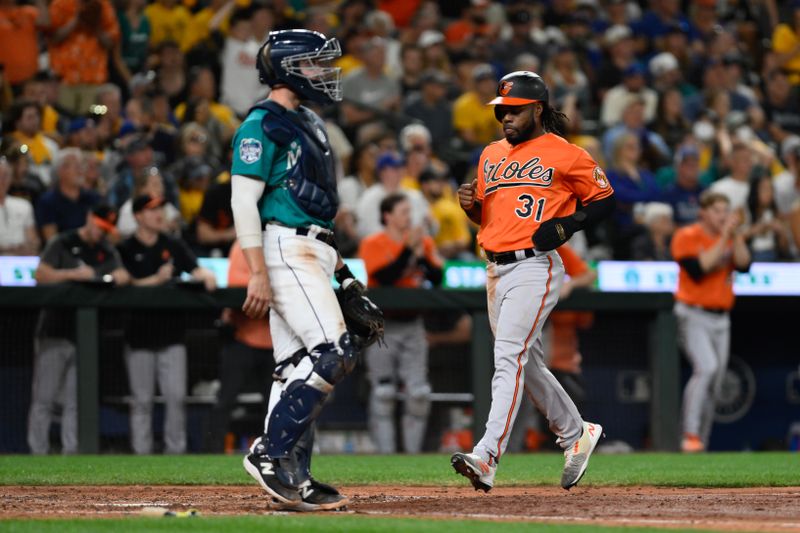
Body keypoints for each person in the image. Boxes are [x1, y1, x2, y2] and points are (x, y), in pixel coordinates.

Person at [451, 71, 615, 492]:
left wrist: (568, 225)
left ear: (536, 110)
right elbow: (491, 216)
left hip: (534, 266)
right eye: (501, 109)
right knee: (527, 361)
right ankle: (577, 432)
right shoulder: (491, 154)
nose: (505, 116)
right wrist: (471, 208)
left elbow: (604, 199)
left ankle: (486, 455)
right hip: (494, 267)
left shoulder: (565, 152)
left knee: (508, 356)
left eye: (514, 110)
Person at [230, 29, 369, 511]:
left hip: (314, 249)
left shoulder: (307, 120)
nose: (322, 73)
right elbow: (243, 201)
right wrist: (255, 271)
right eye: (312, 64)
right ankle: (269, 451)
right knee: (334, 351)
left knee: (295, 366)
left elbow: (318, 211)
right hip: (283, 249)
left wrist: (344, 272)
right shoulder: (261, 123)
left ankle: (296, 475)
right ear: (287, 68)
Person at [117, 194, 216, 455]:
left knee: (175, 399)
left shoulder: (173, 244)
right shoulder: (125, 248)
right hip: (138, 334)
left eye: (160, 208)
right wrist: (156, 280)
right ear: (138, 215)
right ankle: (141, 456)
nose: (158, 213)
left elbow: (197, 270)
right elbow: (123, 285)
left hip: (172, 333)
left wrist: (207, 276)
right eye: (151, 210)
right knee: (141, 401)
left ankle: (176, 454)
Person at [28, 204, 129, 454]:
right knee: (44, 398)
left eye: (106, 229)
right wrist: (75, 274)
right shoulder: (63, 242)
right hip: (53, 330)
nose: (100, 233)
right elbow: (41, 274)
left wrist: (111, 278)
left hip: (84, 337)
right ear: (88, 217)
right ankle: (37, 452)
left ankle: (70, 452)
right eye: (99, 226)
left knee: (75, 401)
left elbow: (123, 275)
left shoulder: (105, 249)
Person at [358, 193, 443, 453]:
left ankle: (412, 459)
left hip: (413, 324)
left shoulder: (423, 242)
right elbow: (384, 277)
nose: (409, 216)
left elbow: (438, 277)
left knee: (418, 394)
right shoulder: (373, 243)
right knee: (383, 393)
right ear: (388, 216)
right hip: (383, 325)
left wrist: (421, 255)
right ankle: (386, 458)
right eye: (404, 212)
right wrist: (409, 250)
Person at [671, 192, 751, 453]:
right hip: (693, 313)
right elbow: (699, 268)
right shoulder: (687, 235)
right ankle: (690, 434)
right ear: (703, 213)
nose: (723, 216)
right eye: (717, 210)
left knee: (715, 381)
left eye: (726, 210)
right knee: (706, 368)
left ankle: (700, 441)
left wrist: (736, 235)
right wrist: (726, 237)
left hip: (721, 318)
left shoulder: (729, 237)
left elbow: (744, 264)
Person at [204, 239, 273, 453]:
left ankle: (275, 454)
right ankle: (213, 454)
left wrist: (265, 284)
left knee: (275, 406)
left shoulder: (284, 240)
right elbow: (236, 281)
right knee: (225, 400)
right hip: (242, 336)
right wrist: (270, 283)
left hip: (277, 343)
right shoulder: (244, 242)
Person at [0, 157, 40, 255]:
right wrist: (7, 249)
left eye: (5, 176)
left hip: (21, 260)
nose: (2, 180)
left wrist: (30, 246)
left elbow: (33, 240)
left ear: (11, 179)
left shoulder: (24, 205)